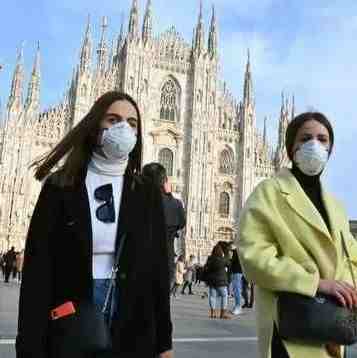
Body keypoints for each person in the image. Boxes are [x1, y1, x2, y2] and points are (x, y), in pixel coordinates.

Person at [16, 91, 173, 358]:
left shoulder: (145, 191)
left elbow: (158, 268)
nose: (123, 128)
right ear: (95, 124)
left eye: (132, 123)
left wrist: (164, 343)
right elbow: (37, 271)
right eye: (113, 119)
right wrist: (29, 344)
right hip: (73, 309)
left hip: (133, 312)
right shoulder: (61, 185)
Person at [237, 112, 357, 358]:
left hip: (333, 324)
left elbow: (351, 257)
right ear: (291, 148)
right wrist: (314, 283)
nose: (315, 144)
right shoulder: (269, 192)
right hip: (292, 327)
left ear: (330, 149)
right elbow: (253, 256)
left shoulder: (337, 206)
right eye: (305, 138)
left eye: (322, 139)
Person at [142, 162, 186, 287]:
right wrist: (169, 195)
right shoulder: (175, 204)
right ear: (164, 182)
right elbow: (182, 223)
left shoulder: (137, 200)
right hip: (164, 261)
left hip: (139, 262)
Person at [205, 244, 232, 319]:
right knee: (224, 296)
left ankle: (213, 313)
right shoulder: (223, 259)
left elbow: (206, 268)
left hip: (212, 281)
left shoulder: (210, 259)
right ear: (221, 252)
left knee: (212, 297)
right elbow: (229, 265)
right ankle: (222, 314)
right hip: (221, 281)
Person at [228, 242, 243, 315]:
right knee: (235, 289)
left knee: (237, 289)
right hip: (235, 272)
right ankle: (237, 306)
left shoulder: (237, 251)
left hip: (237, 272)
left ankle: (238, 307)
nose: (229, 248)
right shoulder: (235, 252)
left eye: (230, 246)